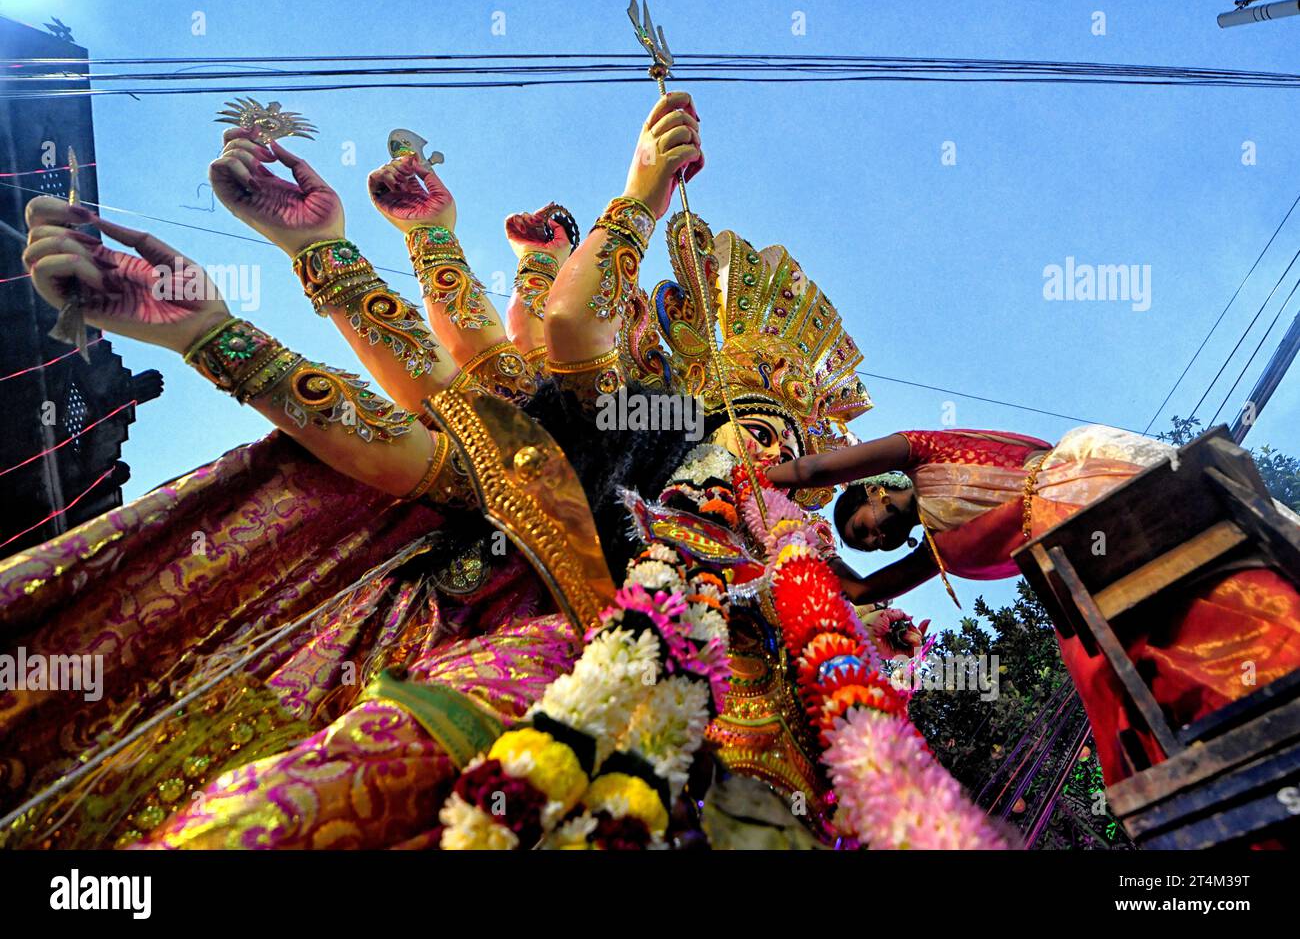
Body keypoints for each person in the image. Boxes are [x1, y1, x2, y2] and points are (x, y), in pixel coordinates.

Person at [1, 90, 937, 849]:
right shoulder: (630, 433)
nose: (758, 463)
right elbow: (462, 424)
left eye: (784, 455)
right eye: (751, 435)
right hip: (469, 643)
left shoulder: (803, 574)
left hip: (689, 736)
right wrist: (243, 308)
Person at [769, 425, 1300, 784]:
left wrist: (757, 475)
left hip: (1080, 500)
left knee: (1209, 593)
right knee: (1135, 671)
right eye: (872, 547)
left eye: (865, 528)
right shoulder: (937, 550)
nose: (880, 541)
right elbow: (862, 591)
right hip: (1070, 578)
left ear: (873, 493)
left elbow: (814, 472)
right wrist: (801, 545)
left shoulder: (920, 452)